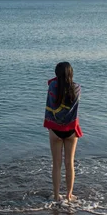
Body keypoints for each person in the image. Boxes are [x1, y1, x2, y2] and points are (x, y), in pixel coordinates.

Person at [43, 61, 83, 202]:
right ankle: (69, 195)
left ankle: (55, 196)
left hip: (55, 130)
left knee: (56, 164)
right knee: (69, 163)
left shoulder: (53, 87)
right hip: (71, 130)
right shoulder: (77, 88)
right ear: (71, 73)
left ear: (57, 74)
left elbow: (50, 85)